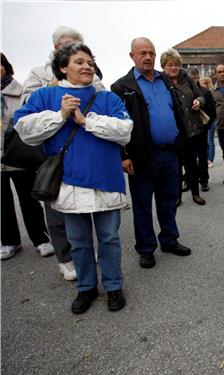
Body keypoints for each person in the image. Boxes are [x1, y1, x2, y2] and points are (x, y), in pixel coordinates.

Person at [14, 43, 133, 313]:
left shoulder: (107, 98)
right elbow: (24, 128)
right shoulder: (45, 96)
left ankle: (114, 286)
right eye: (79, 62)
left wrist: (85, 121)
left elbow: (125, 130)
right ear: (63, 67)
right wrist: (60, 115)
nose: (87, 66)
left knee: (110, 240)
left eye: (90, 62)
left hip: (106, 181)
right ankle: (87, 288)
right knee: (78, 242)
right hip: (68, 184)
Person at [21, 26, 105, 281]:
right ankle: (66, 257)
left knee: (87, 204)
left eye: (80, 47)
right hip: (57, 150)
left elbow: (102, 99)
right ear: (57, 48)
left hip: (87, 146)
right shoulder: (39, 74)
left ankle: (86, 252)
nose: (77, 54)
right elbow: (27, 106)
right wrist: (56, 86)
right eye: (70, 47)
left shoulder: (91, 72)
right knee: (57, 206)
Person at [111, 37, 192, 270]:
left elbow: (176, 112)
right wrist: (123, 155)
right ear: (132, 56)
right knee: (143, 205)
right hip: (141, 156)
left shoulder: (165, 80)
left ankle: (169, 240)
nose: (148, 57)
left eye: (151, 53)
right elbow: (116, 124)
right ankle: (146, 249)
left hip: (170, 154)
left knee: (168, 201)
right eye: (143, 53)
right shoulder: (122, 87)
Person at [1, 53, 55, 262]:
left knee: (28, 198)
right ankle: (9, 241)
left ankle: (40, 238)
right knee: (2, 202)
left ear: (6, 66)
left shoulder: (20, 91)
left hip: (18, 153)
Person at [161, 49, 207, 206]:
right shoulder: (161, 82)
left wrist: (199, 101)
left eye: (176, 65)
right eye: (170, 65)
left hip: (191, 128)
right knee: (176, 166)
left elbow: (201, 95)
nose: (173, 68)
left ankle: (195, 193)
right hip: (173, 131)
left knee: (191, 164)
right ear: (164, 66)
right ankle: (177, 196)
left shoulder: (187, 78)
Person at [199, 75, 217, 175]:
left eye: (204, 83)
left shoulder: (210, 93)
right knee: (206, 140)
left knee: (210, 140)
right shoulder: (199, 92)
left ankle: (210, 159)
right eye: (201, 83)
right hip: (203, 120)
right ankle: (207, 157)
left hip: (210, 120)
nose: (202, 85)